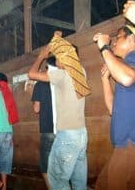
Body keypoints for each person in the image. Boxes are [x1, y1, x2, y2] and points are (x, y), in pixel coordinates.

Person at [28, 31, 90, 190]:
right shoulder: (81, 72)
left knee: (56, 181)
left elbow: (31, 74)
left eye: (59, 56)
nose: (56, 60)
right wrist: (57, 38)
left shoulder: (62, 74)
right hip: (81, 134)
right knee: (79, 182)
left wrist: (41, 56)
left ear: (67, 57)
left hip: (67, 135)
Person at [93, 24, 135, 190]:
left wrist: (104, 47)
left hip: (133, 143)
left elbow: (127, 77)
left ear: (131, 38)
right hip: (125, 146)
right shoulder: (129, 65)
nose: (114, 43)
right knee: (102, 185)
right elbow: (111, 109)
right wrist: (104, 80)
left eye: (118, 38)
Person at [30, 57, 57, 190]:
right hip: (64, 129)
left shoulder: (40, 84)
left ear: (46, 68)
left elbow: (36, 109)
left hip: (48, 129)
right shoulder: (61, 80)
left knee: (45, 166)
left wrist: (32, 94)